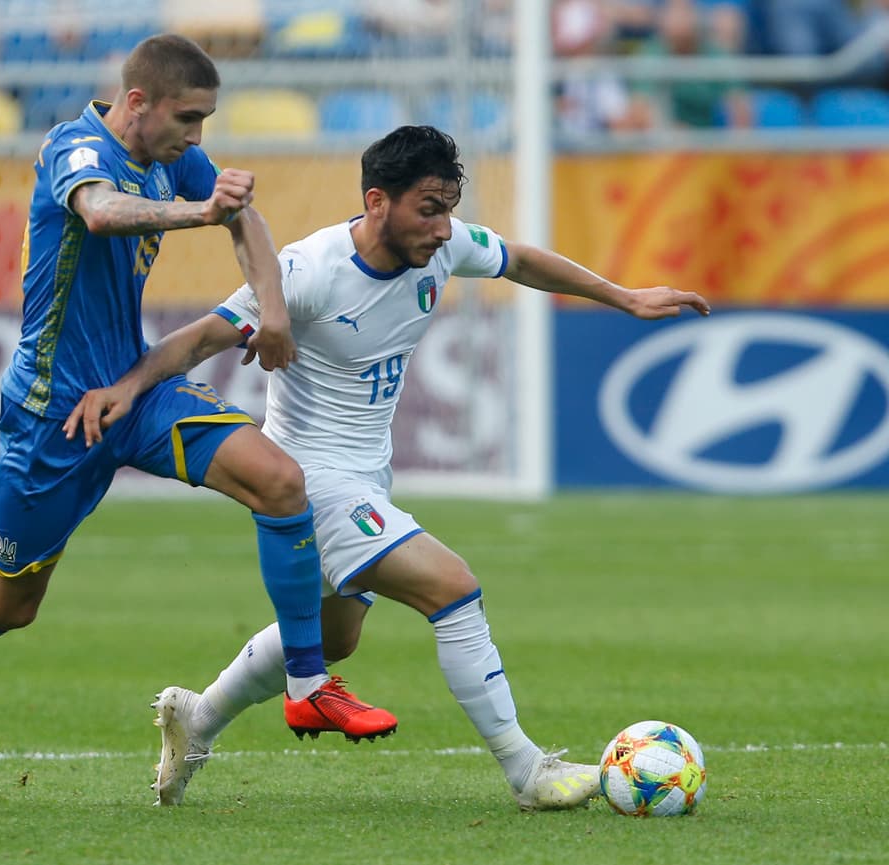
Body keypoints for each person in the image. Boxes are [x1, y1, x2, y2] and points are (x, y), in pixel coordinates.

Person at [63, 125, 711, 809]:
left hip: (368, 473)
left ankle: (199, 718)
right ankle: (528, 769)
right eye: (428, 208)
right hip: (310, 479)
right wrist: (126, 391)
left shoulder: (442, 245)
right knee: (453, 588)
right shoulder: (310, 270)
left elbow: (518, 259)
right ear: (378, 201)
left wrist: (628, 296)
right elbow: (199, 338)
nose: (443, 227)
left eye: (448, 208)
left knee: (332, 637)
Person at [0, 34, 395, 743]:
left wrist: (271, 308)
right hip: (54, 414)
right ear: (138, 102)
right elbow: (101, 212)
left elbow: (243, 217)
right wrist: (200, 212)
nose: (197, 137)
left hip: (132, 391)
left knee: (280, 481)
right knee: (5, 603)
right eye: (188, 119)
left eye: (206, 121)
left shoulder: (170, 157)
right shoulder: (74, 148)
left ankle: (306, 685)